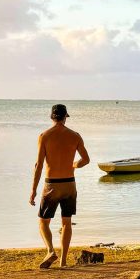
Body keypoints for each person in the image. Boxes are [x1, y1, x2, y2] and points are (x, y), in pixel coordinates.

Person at [30, 104, 90, 268]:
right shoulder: (75, 136)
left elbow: (39, 165)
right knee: (66, 222)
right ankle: (63, 261)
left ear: (52, 117)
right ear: (65, 117)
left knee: (43, 221)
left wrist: (33, 190)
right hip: (69, 183)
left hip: (52, 185)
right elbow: (86, 160)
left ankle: (50, 250)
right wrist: (74, 165)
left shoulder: (44, 136)